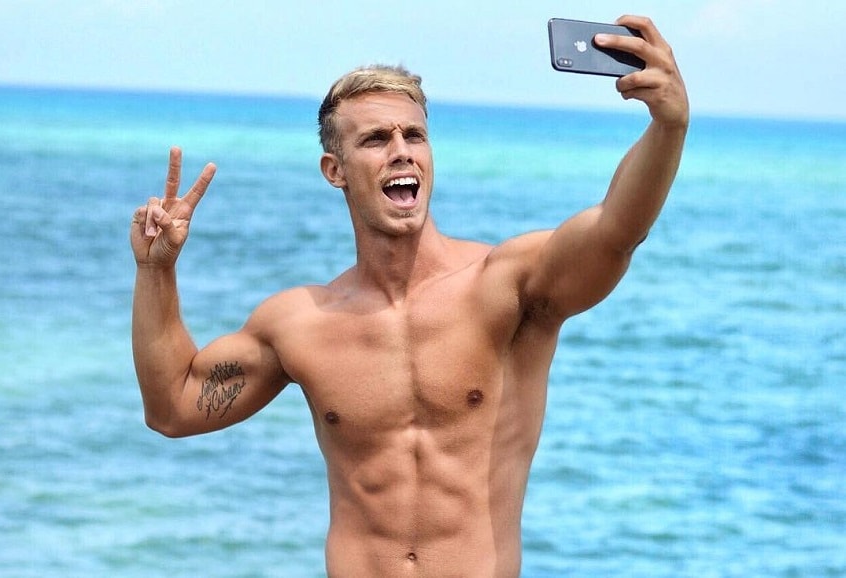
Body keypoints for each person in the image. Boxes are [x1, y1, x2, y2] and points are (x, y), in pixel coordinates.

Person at [130, 15, 688, 578]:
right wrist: (157, 271)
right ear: (335, 171)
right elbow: (173, 408)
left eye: (414, 135)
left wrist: (668, 126)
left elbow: (617, 230)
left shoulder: (509, 286)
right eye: (376, 139)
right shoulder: (301, 323)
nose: (401, 151)